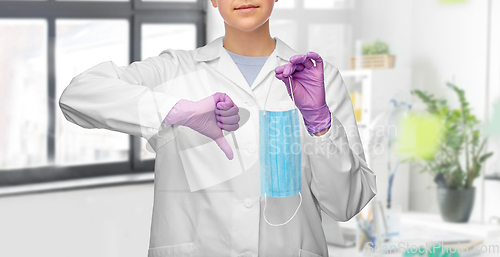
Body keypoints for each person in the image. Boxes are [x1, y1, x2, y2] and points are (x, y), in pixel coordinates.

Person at [58, 0, 377, 256]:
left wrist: (319, 121)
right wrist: (177, 111)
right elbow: (78, 95)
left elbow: (346, 204)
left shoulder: (319, 78)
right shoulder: (175, 70)